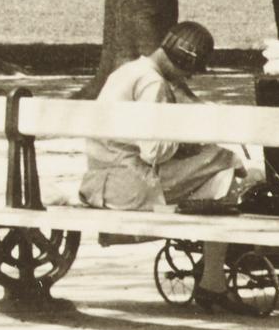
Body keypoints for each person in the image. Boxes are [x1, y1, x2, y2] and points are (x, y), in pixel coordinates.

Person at [83, 20, 260, 212]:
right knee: (223, 157)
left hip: (99, 184)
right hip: (131, 189)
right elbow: (153, 152)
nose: (188, 77)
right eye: (189, 72)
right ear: (185, 61)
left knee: (216, 161)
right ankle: (211, 234)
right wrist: (184, 141)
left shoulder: (127, 71)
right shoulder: (153, 83)